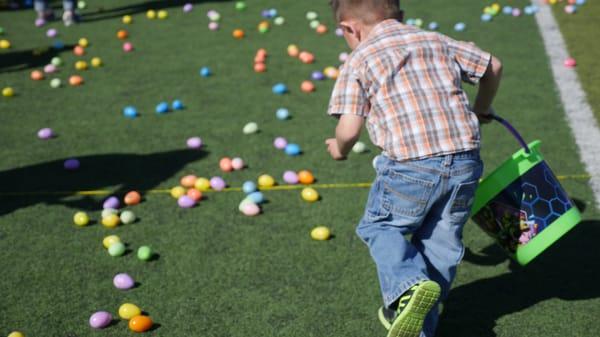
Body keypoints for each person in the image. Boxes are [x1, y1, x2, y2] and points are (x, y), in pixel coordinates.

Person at [324, 1, 502, 336]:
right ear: (400, 17)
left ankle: (407, 286)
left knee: (380, 227)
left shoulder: (360, 58)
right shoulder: (434, 39)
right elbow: (492, 65)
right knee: (441, 242)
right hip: (464, 159)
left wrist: (339, 149)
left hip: (411, 164)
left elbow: (348, 129)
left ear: (350, 28)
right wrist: (481, 107)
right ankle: (422, 329)